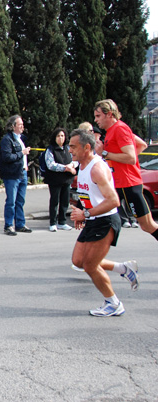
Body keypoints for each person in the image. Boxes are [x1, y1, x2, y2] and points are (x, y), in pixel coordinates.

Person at [69, 129, 139, 316]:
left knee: (90, 265)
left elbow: (113, 200)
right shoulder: (82, 166)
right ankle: (123, 268)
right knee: (78, 261)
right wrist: (82, 212)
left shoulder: (97, 168)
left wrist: (86, 213)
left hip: (106, 220)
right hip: (93, 219)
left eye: (73, 146)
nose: (70, 150)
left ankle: (114, 303)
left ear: (87, 147)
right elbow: (88, 194)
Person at [93, 99, 158, 242]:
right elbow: (141, 145)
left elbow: (131, 157)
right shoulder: (113, 130)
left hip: (129, 184)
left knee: (148, 225)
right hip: (120, 184)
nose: (95, 120)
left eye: (98, 116)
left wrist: (104, 154)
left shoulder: (120, 128)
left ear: (109, 114)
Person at [0, 115, 32, 236]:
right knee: (11, 201)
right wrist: (22, 153)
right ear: (13, 126)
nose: (22, 127)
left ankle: (20, 223)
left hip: (22, 172)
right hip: (12, 174)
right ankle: (8, 225)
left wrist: (25, 164)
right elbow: (7, 157)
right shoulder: (7, 140)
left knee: (20, 201)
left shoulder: (20, 138)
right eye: (20, 124)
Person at [44, 128, 77, 232]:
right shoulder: (50, 149)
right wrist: (65, 168)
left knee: (65, 202)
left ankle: (62, 222)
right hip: (55, 180)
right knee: (54, 201)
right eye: (58, 136)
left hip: (66, 180)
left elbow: (75, 160)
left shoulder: (68, 148)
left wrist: (71, 165)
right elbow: (50, 165)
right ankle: (52, 223)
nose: (60, 138)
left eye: (62, 136)